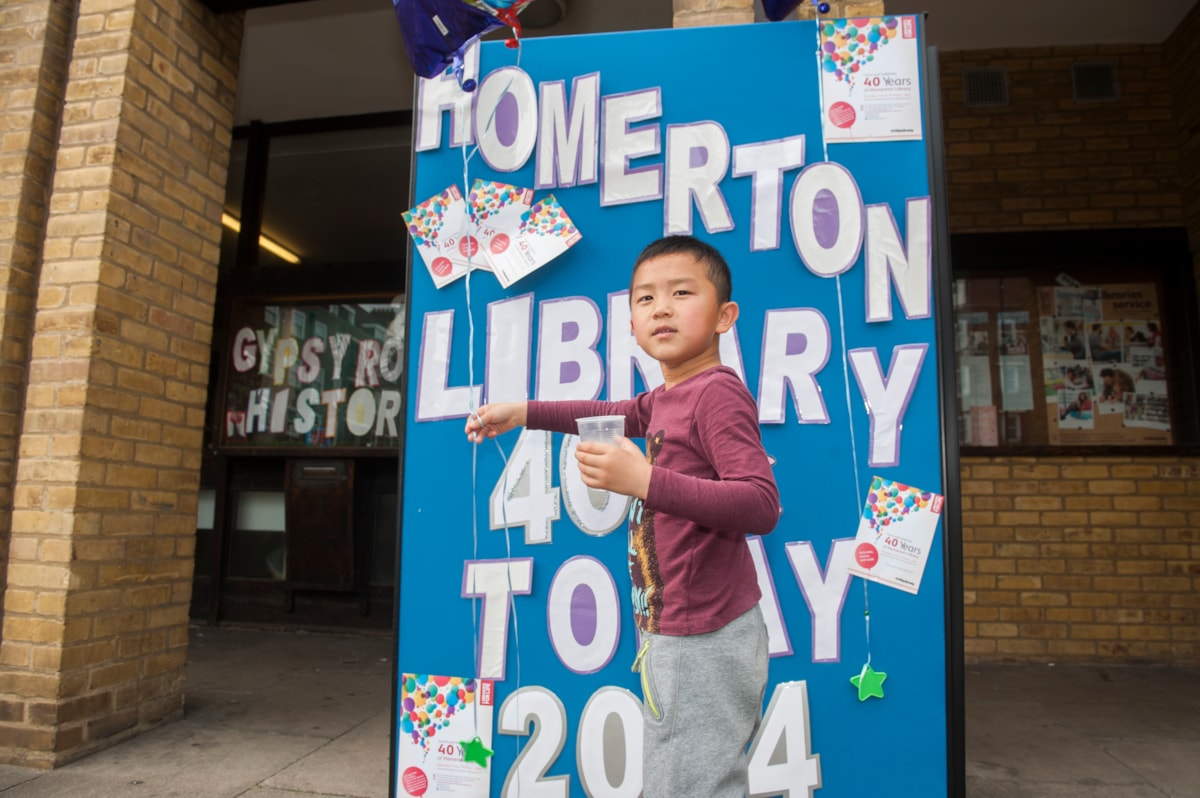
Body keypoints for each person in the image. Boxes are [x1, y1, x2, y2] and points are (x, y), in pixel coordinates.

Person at [465, 235, 780, 798]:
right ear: (631, 323)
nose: (661, 308)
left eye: (682, 293)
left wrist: (645, 482)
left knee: (688, 786)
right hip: (678, 631)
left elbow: (760, 503)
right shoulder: (668, 397)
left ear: (724, 316)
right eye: (645, 299)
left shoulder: (715, 394)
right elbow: (606, 410)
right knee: (681, 778)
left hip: (703, 636)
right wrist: (523, 412)